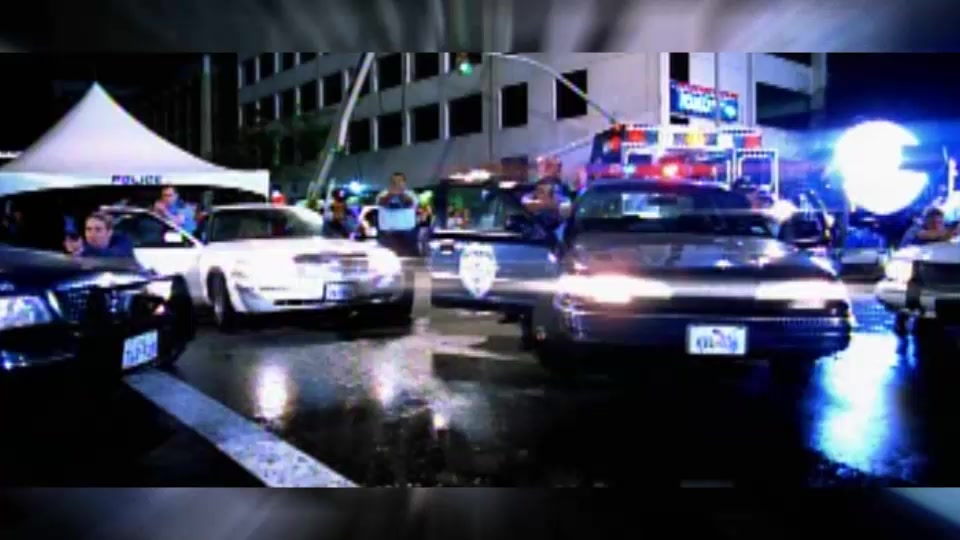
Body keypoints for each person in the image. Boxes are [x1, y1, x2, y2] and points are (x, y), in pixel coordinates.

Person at [376, 172, 418, 255]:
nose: (397, 183)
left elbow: (408, 203)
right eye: (394, 181)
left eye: (399, 181)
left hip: (407, 233)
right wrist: (391, 194)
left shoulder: (411, 195)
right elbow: (382, 202)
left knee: (408, 258)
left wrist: (401, 192)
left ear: (404, 182)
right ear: (390, 182)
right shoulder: (382, 194)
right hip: (388, 233)